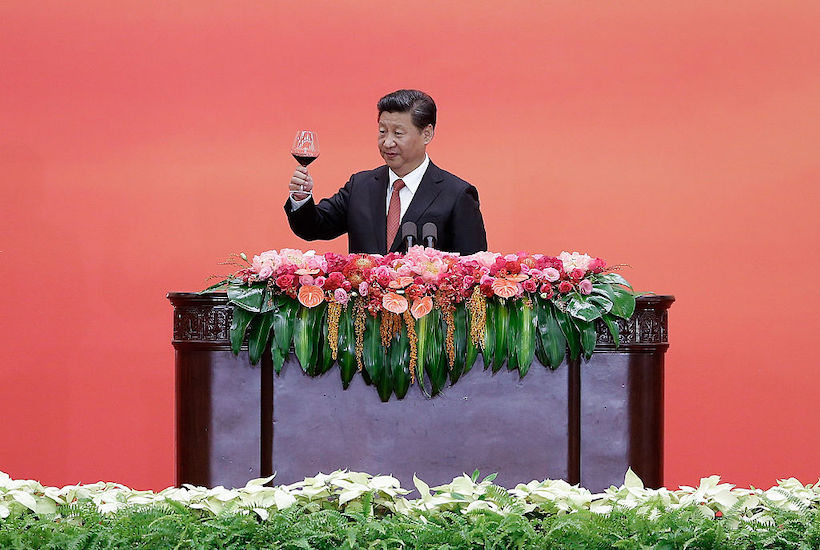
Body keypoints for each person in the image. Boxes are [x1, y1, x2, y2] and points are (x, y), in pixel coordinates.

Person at [284, 89, 487, 255]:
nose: (387, 142)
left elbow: (472, 270)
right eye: (382, 132)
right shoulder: (360, 186)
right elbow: (313, 227)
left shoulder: (457, 195)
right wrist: (301, 198)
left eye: (398, 133)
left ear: (427, 134)